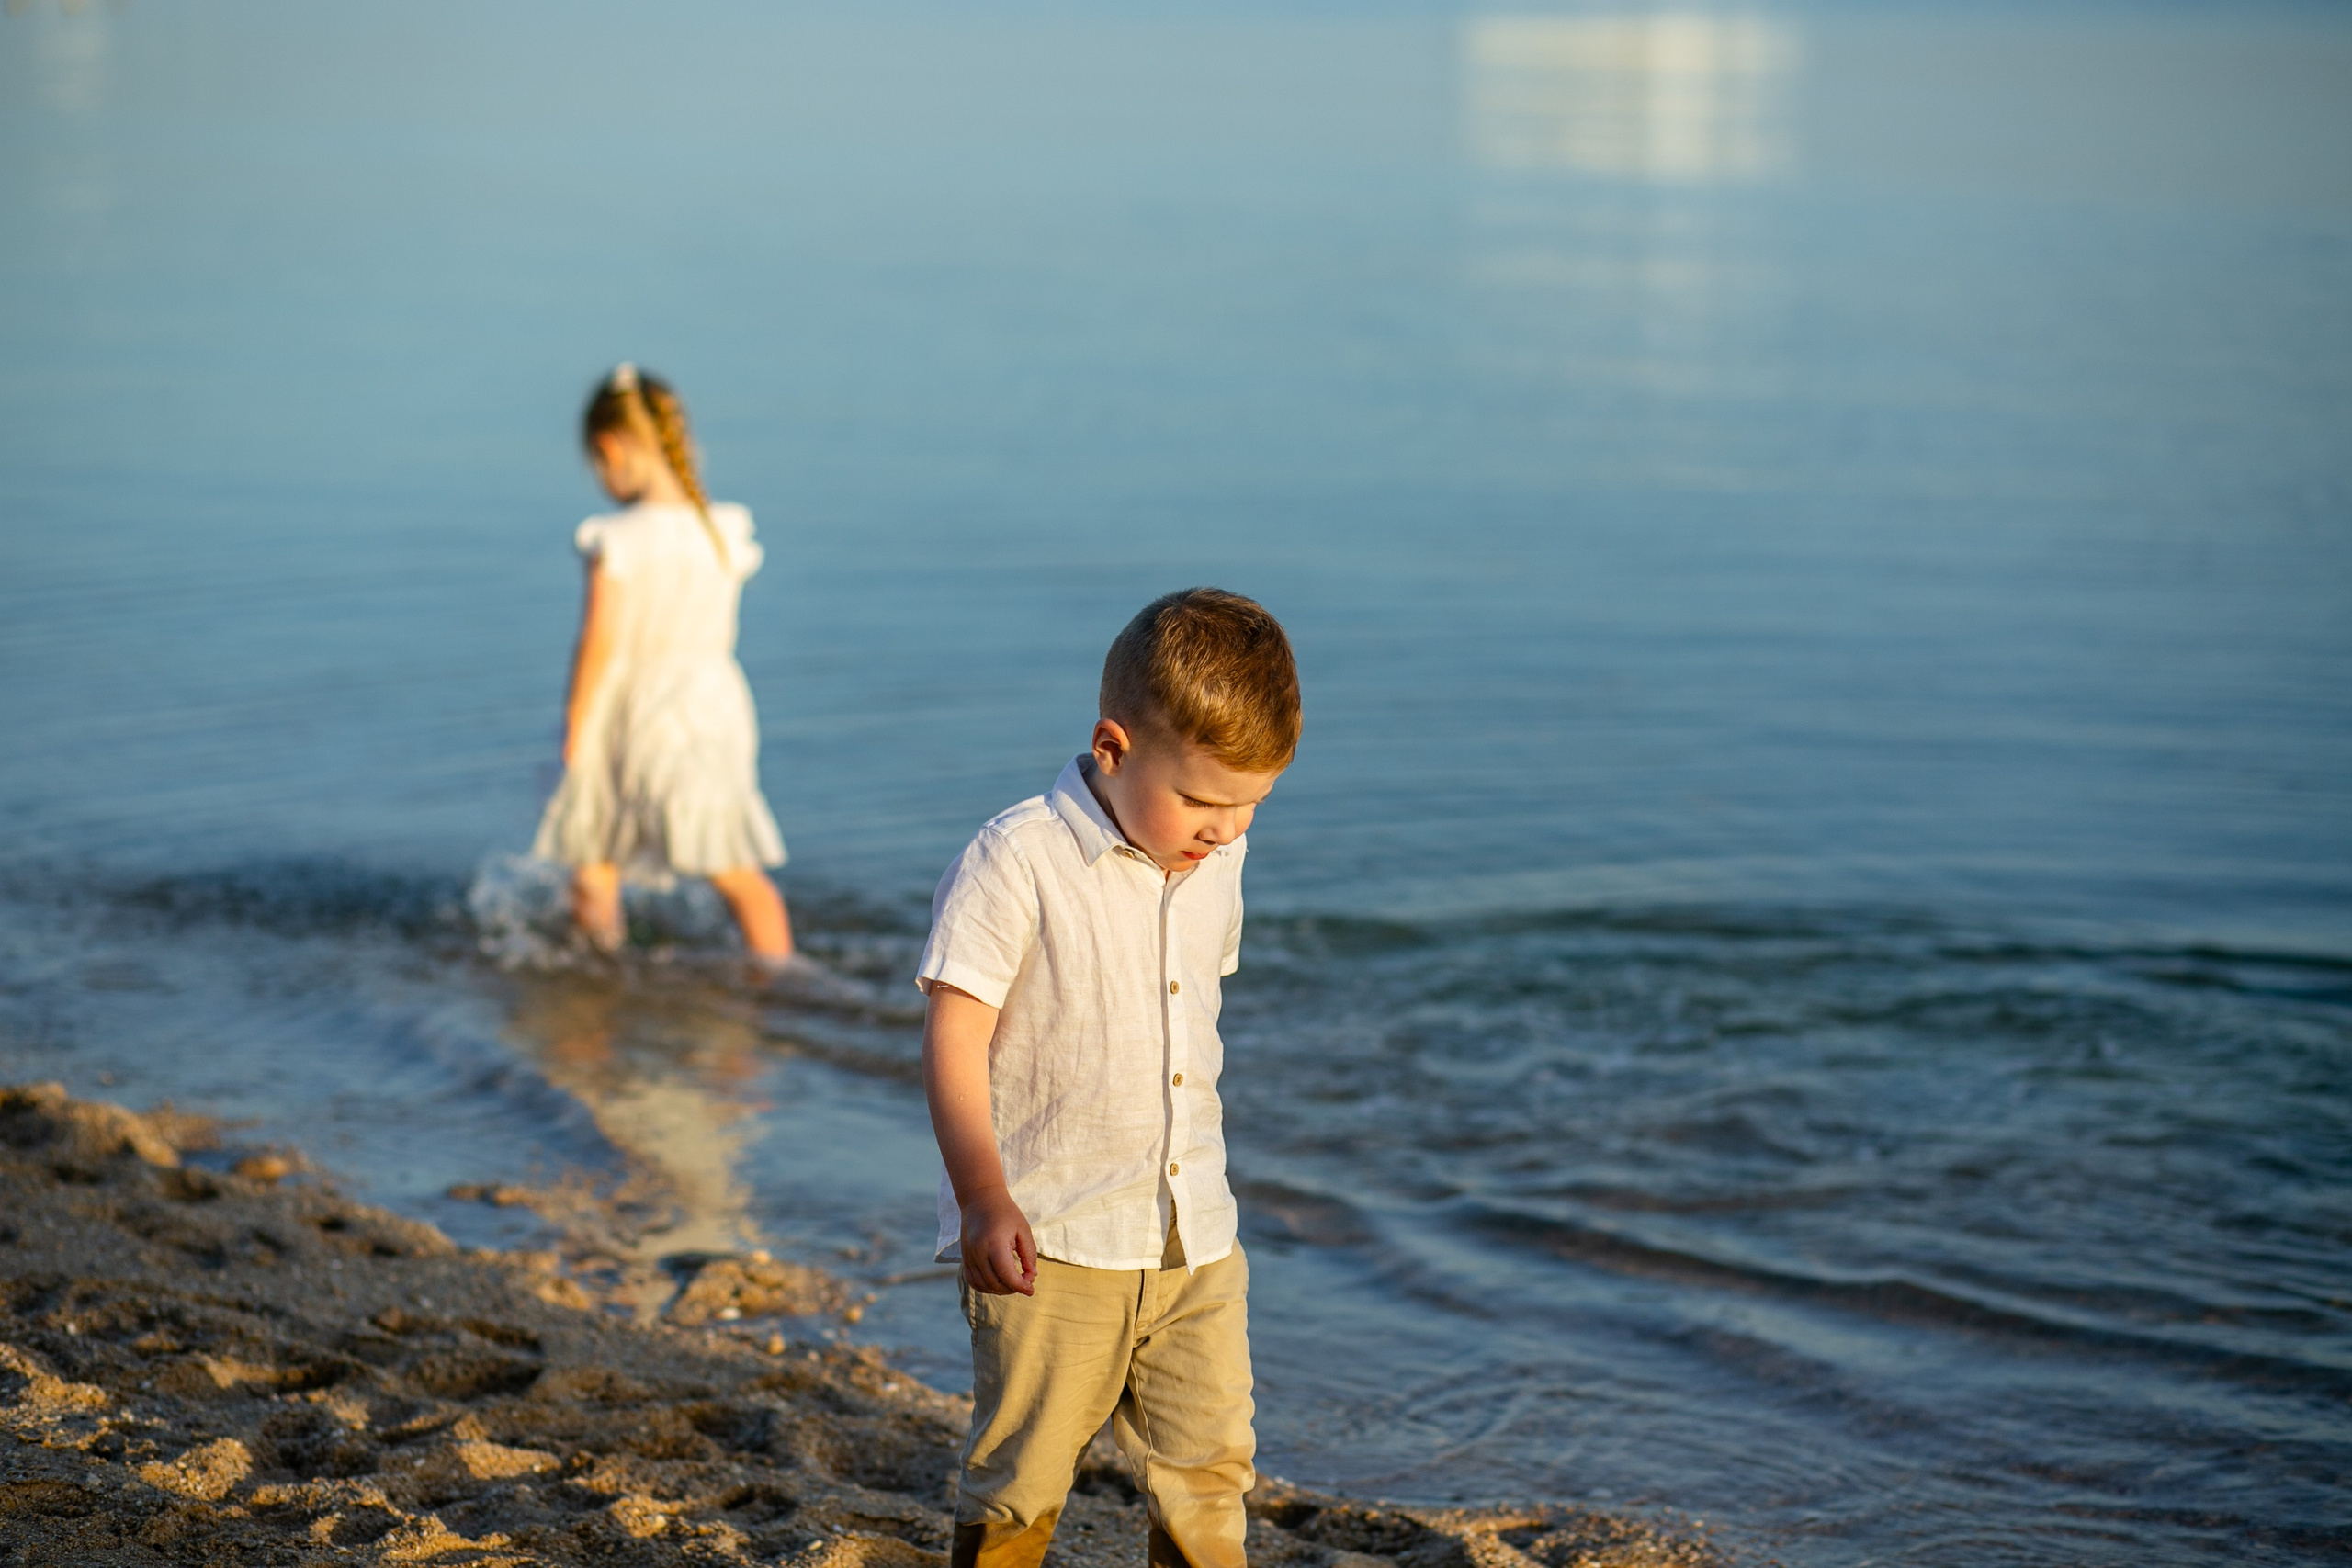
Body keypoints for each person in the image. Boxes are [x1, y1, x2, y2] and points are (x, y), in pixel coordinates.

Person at [917, 587, 1301, 1568]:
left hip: (1192, 1234)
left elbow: (1184, 1022)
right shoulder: (1017, 859)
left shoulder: (1218, 859)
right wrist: (983, 1196)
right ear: (1113, 748)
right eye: (1203, 802)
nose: (1227, 829)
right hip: (1054, 1239)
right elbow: (954, 1036)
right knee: (1025, 1470)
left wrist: (1216, 823)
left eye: (1252, 803)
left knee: (1211, 1467)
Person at [533, 364, 796, 968]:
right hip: (714, 703)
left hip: (636, 706)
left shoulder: (619, 537)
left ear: (610, 448)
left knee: (593, 856)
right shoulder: (722, 528)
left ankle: (598, 972)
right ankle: (782, 979)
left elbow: (599, 641)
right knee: (734, 866)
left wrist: (574, 727)